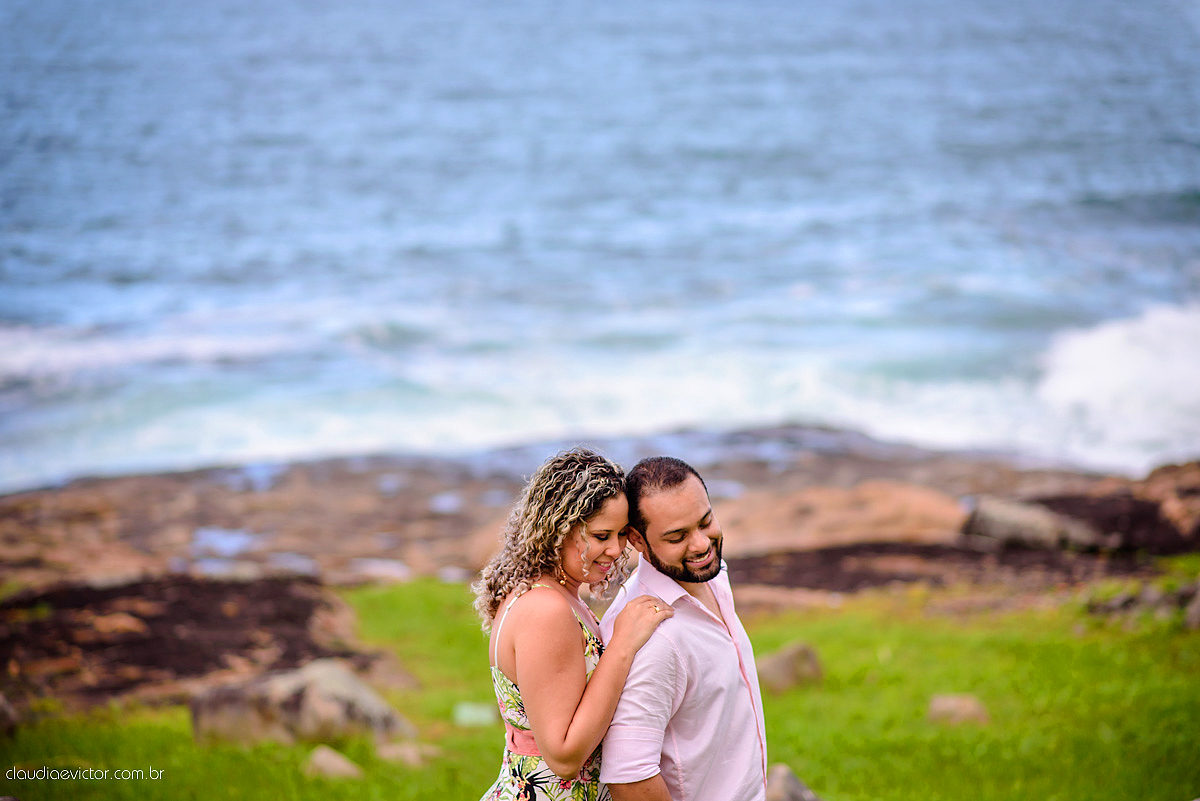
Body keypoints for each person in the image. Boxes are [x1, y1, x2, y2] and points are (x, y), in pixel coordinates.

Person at [473, 447, 674, 801]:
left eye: (621, 534)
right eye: (600, 536)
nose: (615, 549)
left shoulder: (554, 596)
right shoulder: (545, 610)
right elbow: (564, 756)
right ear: (557, 530)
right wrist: (624, 644)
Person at [599, 456, 768, 801]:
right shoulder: (655, 637)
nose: (702, 545)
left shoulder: (711, 576)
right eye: (677, 537)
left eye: (705, 522)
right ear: (637, 540)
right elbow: (629, 777)